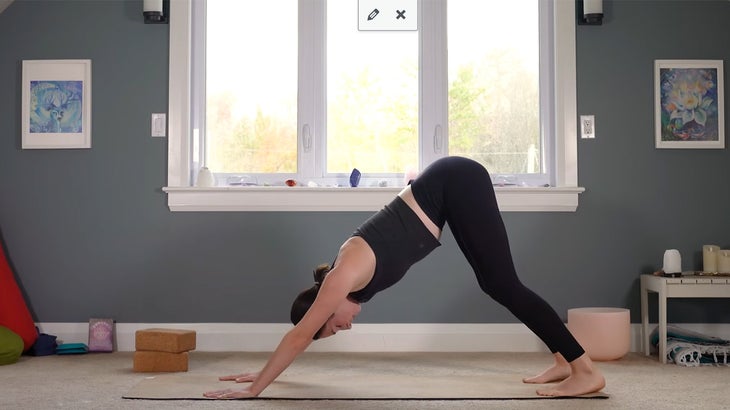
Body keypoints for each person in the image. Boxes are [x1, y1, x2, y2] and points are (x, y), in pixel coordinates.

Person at [203, 156, 605, 399]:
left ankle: (585, 370)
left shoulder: (342, 277)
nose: (343, 327)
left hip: (456, 180)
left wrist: (255, 389)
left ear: (323, 306)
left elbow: (299, 336)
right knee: (495, 283)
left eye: (333, 327)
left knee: (503, 284)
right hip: (449, 188)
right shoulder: (349, 284)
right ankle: (561, 358)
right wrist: (264, 370)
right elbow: (305, 336)